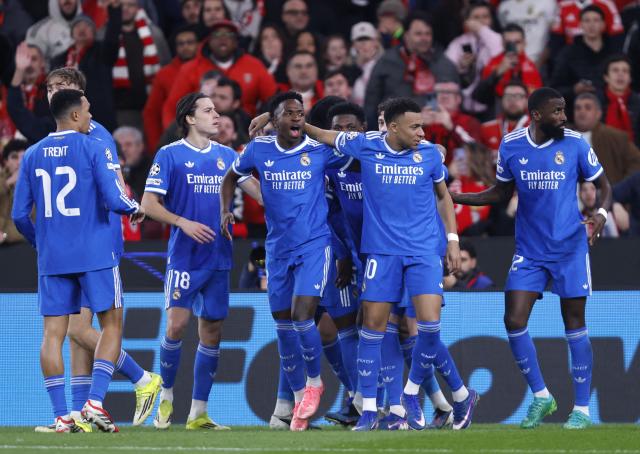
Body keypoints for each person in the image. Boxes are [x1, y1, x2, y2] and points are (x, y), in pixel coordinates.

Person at [301, 97, 479, 432]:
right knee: (374, 329)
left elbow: (443, 195)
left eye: (423, 126)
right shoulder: (366, 147)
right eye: (415, 126)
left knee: (427, 328)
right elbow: (324, 136)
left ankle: (412, 395)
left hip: (424, 251)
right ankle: (371, 409)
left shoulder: (428, 153)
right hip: (381, 254)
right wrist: (295, 123)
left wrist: (452, 241)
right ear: (392, 126)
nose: (422, 132)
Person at [451, 87, 612, 430]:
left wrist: (599, 215)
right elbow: (501, 192)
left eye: (563, 110)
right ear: (537, 115)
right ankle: (541, 396)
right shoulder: (511, 145)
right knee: (513, 319)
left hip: (570, 248)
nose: (563, 117)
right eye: (556, 111)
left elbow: (604, 186)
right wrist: (461, 197)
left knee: (574, 324)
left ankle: (581, 409)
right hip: (529, 250)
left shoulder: (576, 144)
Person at [33, 67, 162, 433]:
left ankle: (140, 379)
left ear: (78, 95)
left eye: (62, 87)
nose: (53, 92)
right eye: (49, 87)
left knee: (78, 327)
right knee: (77, 332)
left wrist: (130, 206)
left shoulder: (95, 134)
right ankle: (79, 414)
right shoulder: (60, 138)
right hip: (71, 244)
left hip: (95, 244)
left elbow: (115, 185)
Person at [221, 91, 353, 431]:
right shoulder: (259, 150)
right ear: (274, 119)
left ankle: (314, 383)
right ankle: (295, 404)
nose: (296, 118)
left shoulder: (319, 151)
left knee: (302, 316)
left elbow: (359, 149)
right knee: (283, 327)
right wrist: (225, 210)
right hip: (277, 250)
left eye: (300, 113)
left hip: (314, 246)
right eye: (289, 113)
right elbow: (231, 176)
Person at [141, 92, 261, 430]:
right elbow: (149, 203)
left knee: (212, 332)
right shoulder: (170, 155)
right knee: (176, 326)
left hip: (220, 257)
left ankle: (199, 412)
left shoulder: (228, 156)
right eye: (208, 110)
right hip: (184, 258)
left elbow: (259, 194)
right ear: (190, 118)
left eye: (217, 110)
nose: (217, 115)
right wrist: (182, 222)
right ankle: (165, 398)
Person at [163, 19, 276, 123]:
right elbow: (173, 107)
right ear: (209, 41)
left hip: (244, 132)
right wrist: (178, 137)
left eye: (228, 35)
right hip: (201, 132)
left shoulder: (254, 65)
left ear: (236, 41)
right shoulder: (190, 68)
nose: (222, 39)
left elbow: (274, 101)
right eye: (217, 35)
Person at [364, 12, 459, 128]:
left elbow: (456, 101)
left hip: (434, 132)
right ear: (406, 35)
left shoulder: (443, 63)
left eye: (428, 34)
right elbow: (371, 102)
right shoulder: (387, 61)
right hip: (393, 131)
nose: (424, 38)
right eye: (418, 34)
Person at [550, 5, 618, 120]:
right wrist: (574, 90)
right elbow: (554, 89)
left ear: (603, 24)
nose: (591, 25)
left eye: (596, 20)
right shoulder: (568, 53)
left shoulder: (614, 52)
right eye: (587, 20)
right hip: (576, 114)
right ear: (580, 25)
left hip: (610, 112)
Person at [143, 24, 199, 152]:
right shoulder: (164, 74)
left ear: (198, 44)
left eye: (190, 42)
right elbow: (152, 112)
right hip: (174, 135)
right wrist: (156, 146)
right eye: (181, 44)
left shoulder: (207, 69)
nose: (185, 47)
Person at [445, 1, 503, 117]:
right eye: (476, 17)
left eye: (485, 17)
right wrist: (461, 67)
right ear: (467, 21)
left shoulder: (495, 39)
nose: (481, 21)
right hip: (463, 106)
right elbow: (446, 71)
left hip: (490, 104)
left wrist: (480, 29)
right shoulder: (458, 43)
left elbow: (499, 50)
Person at [572, 92, 640, 185]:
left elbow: (636, 162)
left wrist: (621, 190)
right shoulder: (563, 136)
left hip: (606, 195)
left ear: (598, 114)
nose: (582, 111)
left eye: (588, 108)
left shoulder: (615, 137)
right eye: (578, 108)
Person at [473, 23, 543, 111]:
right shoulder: (493, 64)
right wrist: (497, 73)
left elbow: (542, 100)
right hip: (500, 114)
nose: (513, 47)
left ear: (524, 43)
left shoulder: (535, 66)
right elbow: (479, 97)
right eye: (509, 43)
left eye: (517, 42)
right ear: (502, 43)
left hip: (527, 117)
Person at [480, 81, 530, 155]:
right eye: (508, 96)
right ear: (502, 100)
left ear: (526, 101)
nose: (513, 100)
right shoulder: (486, 128)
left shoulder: (537, 130)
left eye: (518, 96)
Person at [600, 54, 640, 146]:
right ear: (606, 77)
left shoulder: (637, 103)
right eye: (615, 70)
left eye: (625, 71)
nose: (620, 74)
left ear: (630, 78)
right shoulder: (595, 102)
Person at [0, 139, 28, 245]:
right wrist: (8, 183)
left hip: (20, 249)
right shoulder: (2, 180)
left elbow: (33, 226)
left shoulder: (36, 186)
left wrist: (5, 234)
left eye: (24, 157)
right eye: (14, 157)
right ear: (6, 162)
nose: (20, 162)